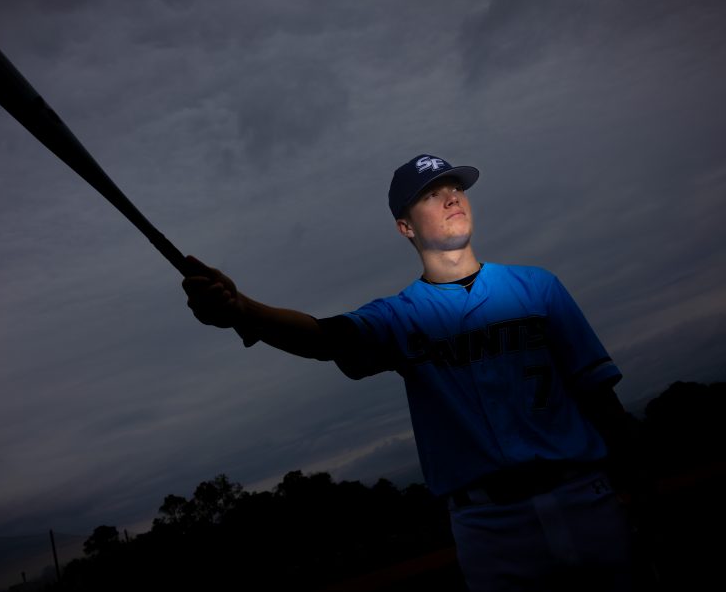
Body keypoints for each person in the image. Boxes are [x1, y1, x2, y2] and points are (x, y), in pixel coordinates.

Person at [182, 154, 638, 591]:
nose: (451, 197)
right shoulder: (399, 316)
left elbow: (600, 397)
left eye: (454, 187)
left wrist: (644, 494)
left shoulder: (539, 287)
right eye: (430, 195)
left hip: (585, 495)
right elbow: (326, 337)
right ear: (405, 226)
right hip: (490, 526)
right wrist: (242, 309)